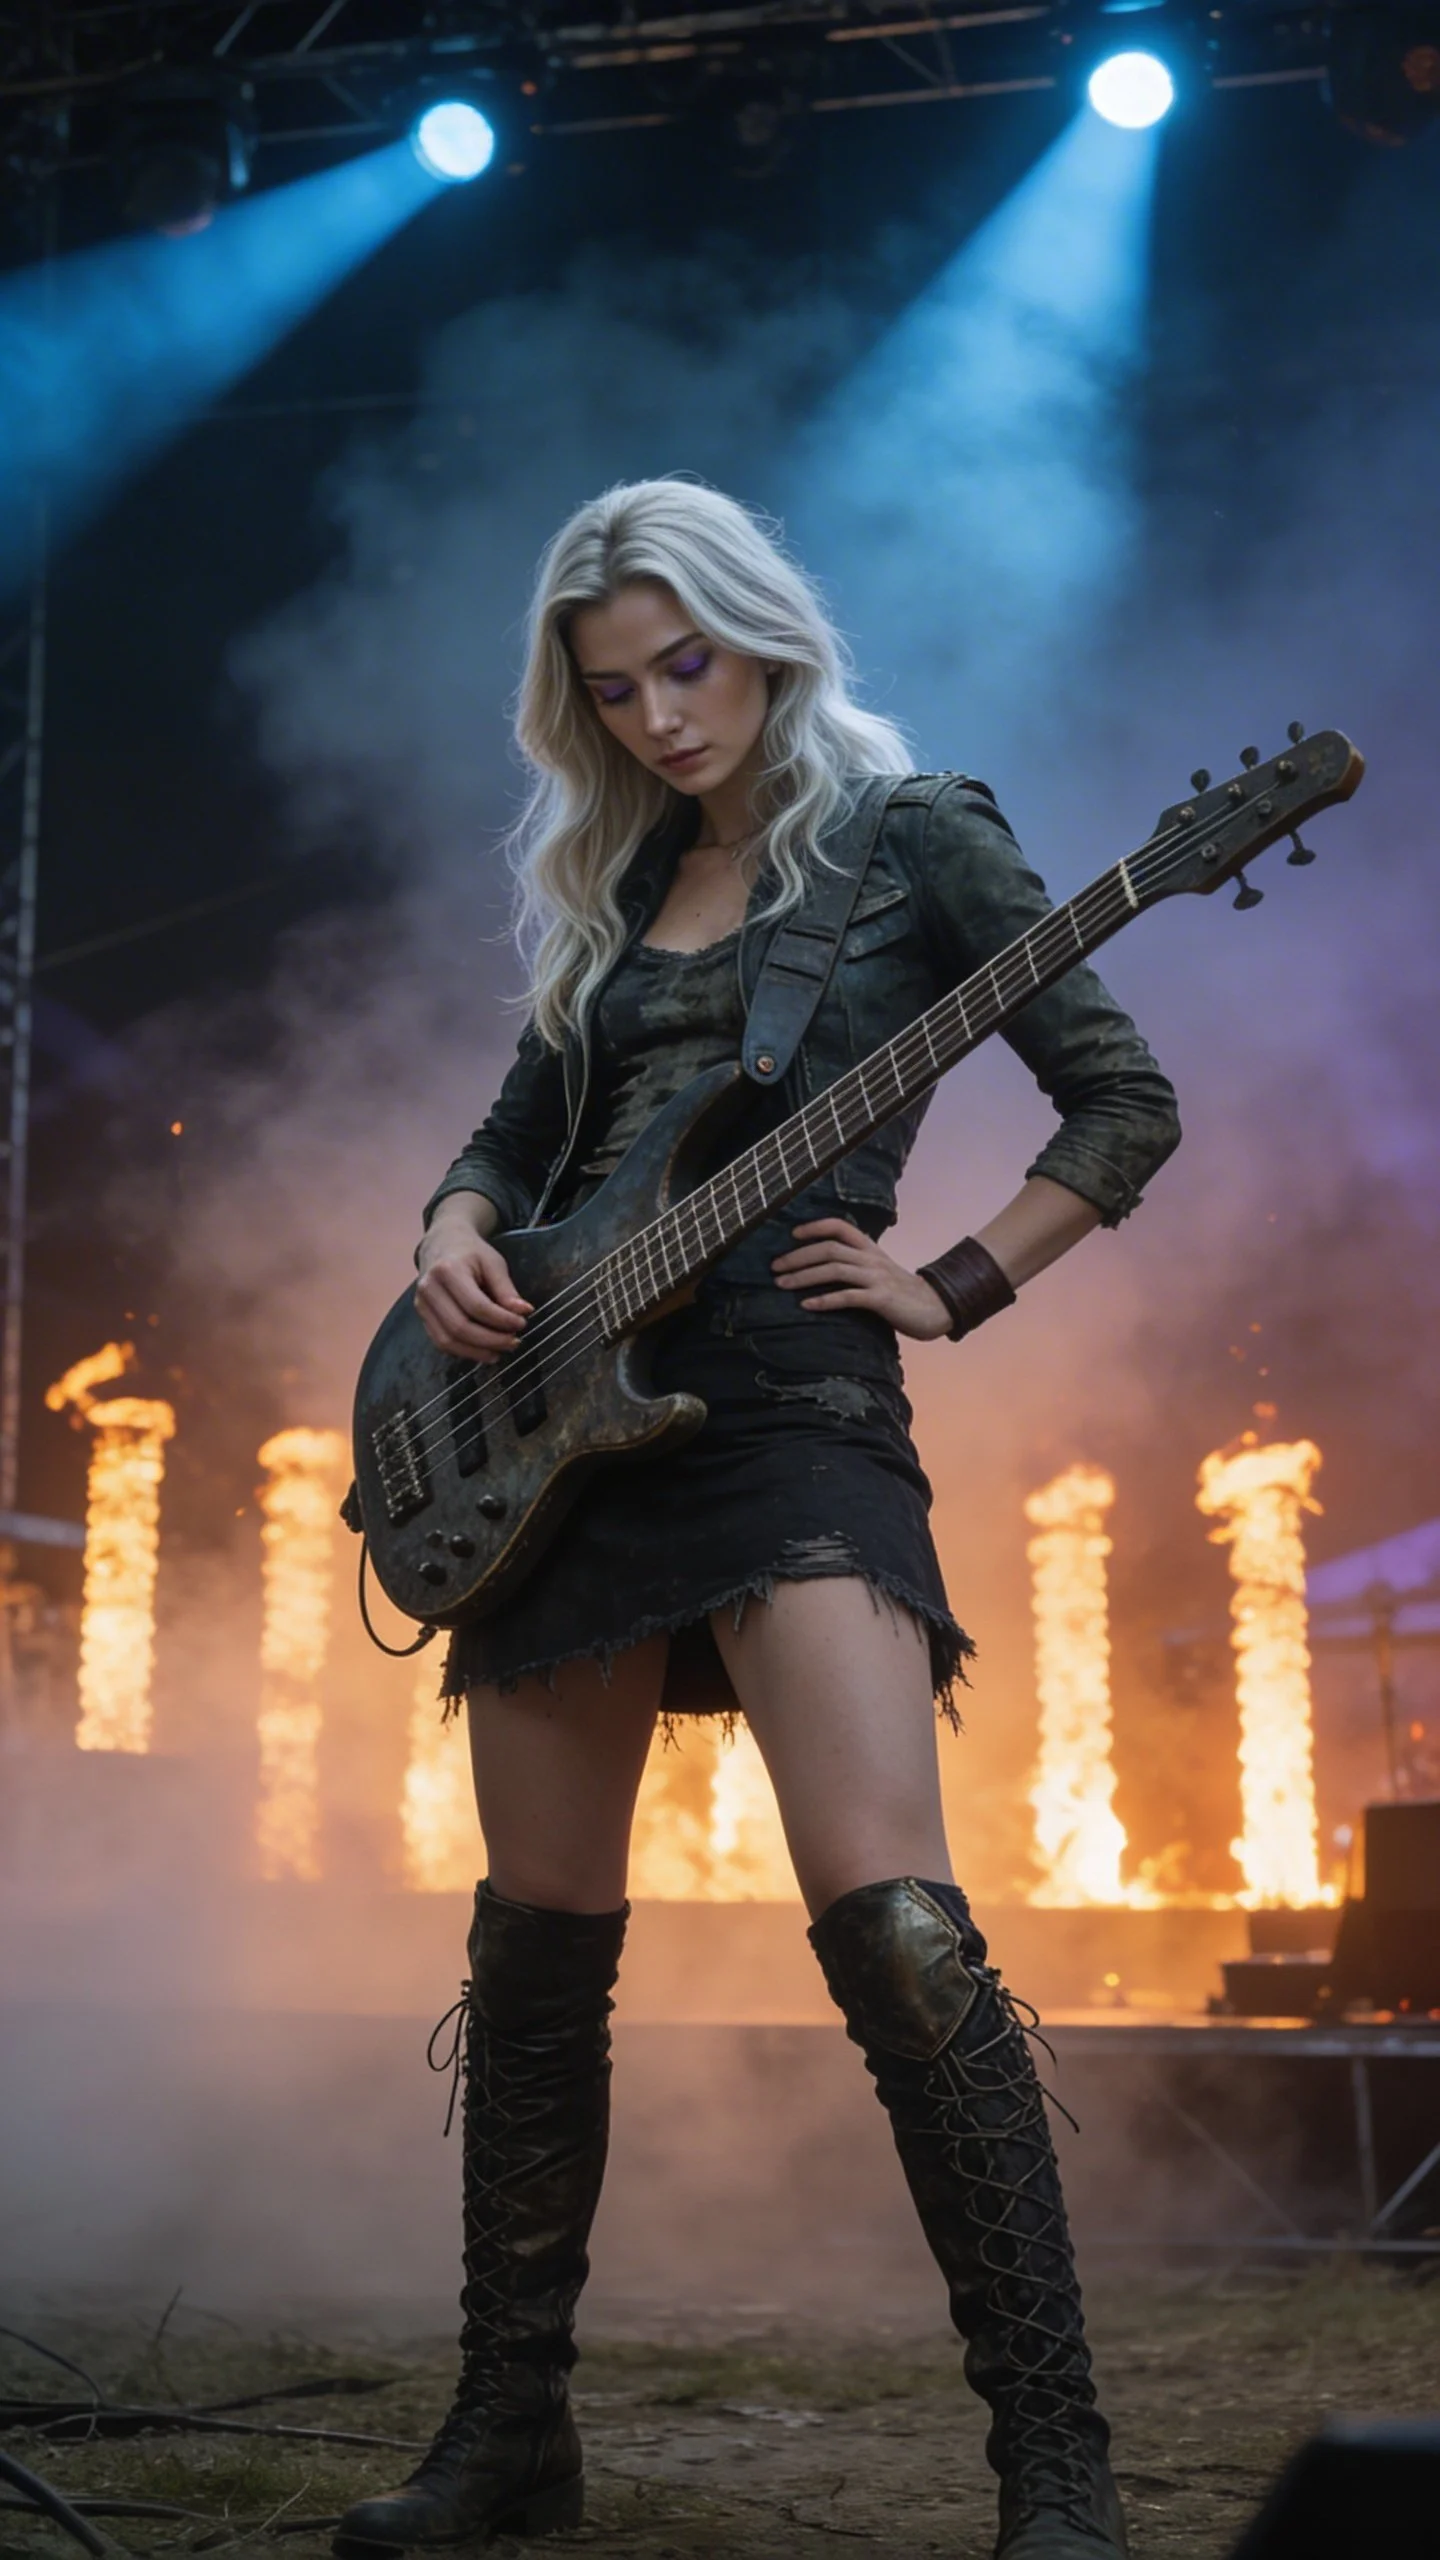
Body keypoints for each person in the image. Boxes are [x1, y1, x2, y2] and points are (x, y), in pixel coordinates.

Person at [334, 479, 1179, 2560]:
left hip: (790, 1407)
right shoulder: (618, 879)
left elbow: (1122, 1094)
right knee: (538, 1944)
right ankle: (510, 2432)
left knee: (897, 1927)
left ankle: (1055, 2468)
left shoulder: (917, 836)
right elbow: (519, 1124)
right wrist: (453, 1223)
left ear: (765, 630)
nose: (658, 718)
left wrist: (958, 1277)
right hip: (541, 1426)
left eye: (684, 665)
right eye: (614, 692)